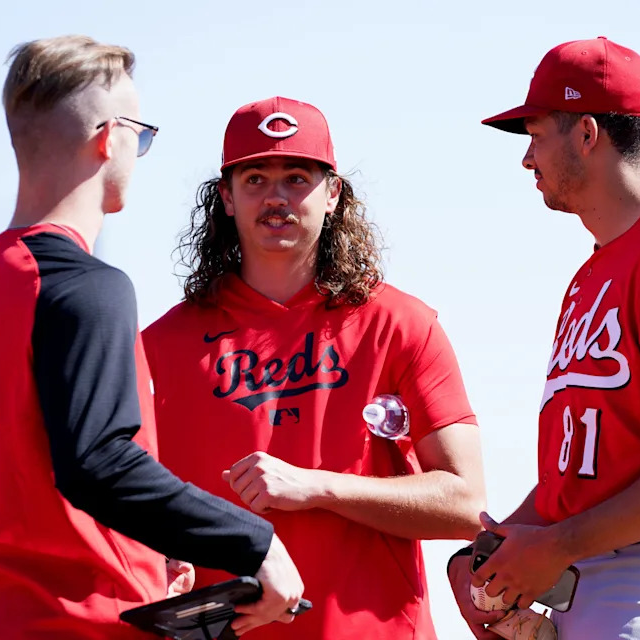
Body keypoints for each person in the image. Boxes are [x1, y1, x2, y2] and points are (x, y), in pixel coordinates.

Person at [0, 36, 303, 640]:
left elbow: (28, 473)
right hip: (81, 624)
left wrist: (151, 551)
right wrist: (256, 542)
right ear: (109, 137)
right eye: (142, 134)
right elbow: (98, 463)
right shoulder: (83, 286)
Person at [448, 37, 640, 639]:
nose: (527, 158)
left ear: (587, 134)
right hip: (596, 577)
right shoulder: (594, 272)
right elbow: (588, 472)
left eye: (536, 135)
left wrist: (558, 544)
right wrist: (490, 552)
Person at [142, 96, 487, 639]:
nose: (276, 197)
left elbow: (465, 503)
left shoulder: (402, 324)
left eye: (297, 177)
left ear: (333, 195)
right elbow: (115, 496)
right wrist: (151, 562)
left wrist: (318, 487)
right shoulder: (160, 346)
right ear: (226, 198)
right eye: (254, 179)